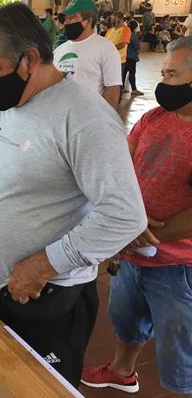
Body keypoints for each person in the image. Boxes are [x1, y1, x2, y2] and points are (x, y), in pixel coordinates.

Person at [0, 2, 146, 388]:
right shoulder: (7, 101)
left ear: (29, 59)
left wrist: (45, 264)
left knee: (39, 388)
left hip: (43, 295)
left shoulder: (85, 118)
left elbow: (125, 215)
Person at [81, 36, 192, 396]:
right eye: (162, 72)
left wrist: (143, 234)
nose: (163, 82)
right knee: (126, 320)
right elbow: (121, 164)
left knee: (180, 351)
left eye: (172, 74)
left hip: (179, 266)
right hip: (133, 253)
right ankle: (122, 371)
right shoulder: (154, 117)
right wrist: (124, 221)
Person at [53, 0, 122, 110]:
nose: (66, 22)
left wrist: (108, 122)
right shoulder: (59, 50)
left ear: (88, 21)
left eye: (72, 18)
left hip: (89, 118)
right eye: (65, 18)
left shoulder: (106, 48)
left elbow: (113, 89)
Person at [105, 12, 131, 95]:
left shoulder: (126, 29)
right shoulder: (110, 30)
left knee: (116, 83)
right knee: (107, 81)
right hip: (107, 60)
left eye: (116, 19)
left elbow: (123, 44)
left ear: (121, 19)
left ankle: (116, 101)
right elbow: (105, 43)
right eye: (112, 19)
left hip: (119, 61)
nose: (114, 21)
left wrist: (109, 49)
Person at [123, 20, 143, 96]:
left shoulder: (125, 33)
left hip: (124, 56)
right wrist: (137, 51)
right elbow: (136, 46)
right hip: (131, 57)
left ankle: (122, 88)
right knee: (132, 73)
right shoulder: (133, 35)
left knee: (124, 73)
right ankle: (134, 89)